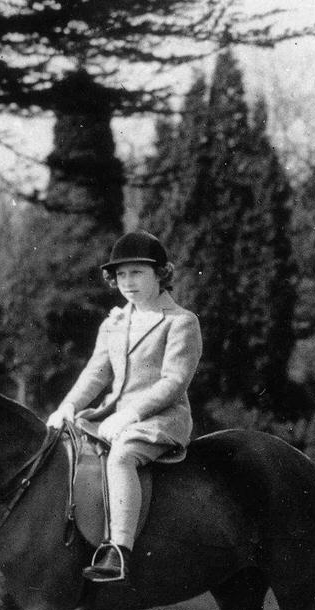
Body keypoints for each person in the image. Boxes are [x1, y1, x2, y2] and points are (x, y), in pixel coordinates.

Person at [46, 231, 203, 583]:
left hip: (160, 419)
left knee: (122, 457)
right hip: (110, 416)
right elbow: (97, 372)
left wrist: (130, 415)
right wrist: (68, 406)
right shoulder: (114, 321)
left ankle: (118, 550)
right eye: (121, 275)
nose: (127, 282)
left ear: (160, 274)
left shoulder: (181, 322)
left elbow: (174, 381)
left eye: (137, 273)